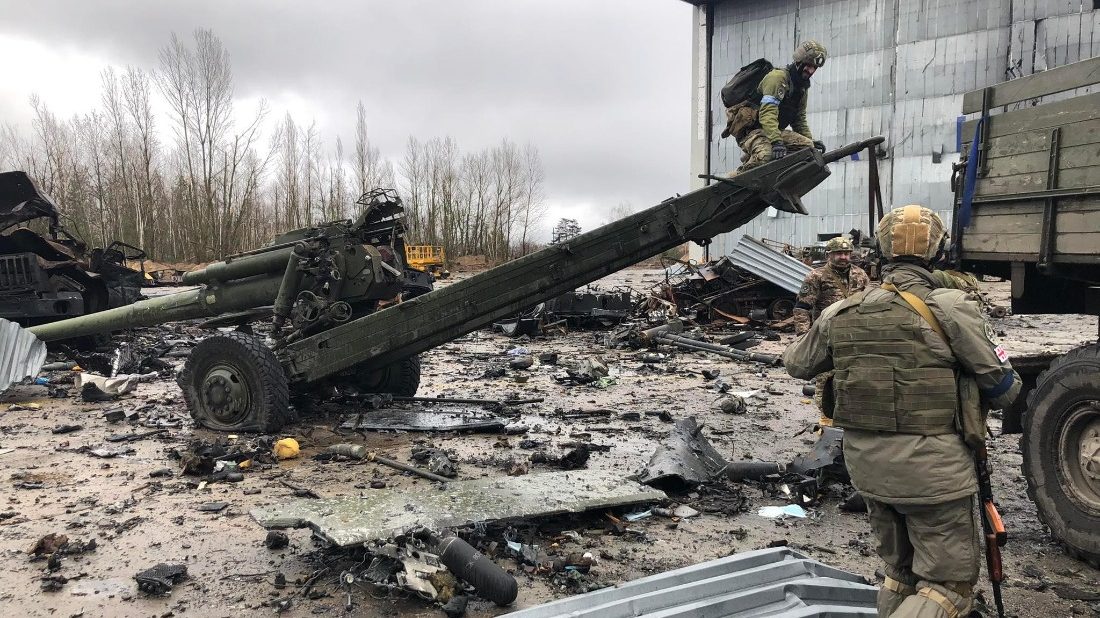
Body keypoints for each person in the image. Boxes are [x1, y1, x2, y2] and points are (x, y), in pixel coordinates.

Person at [782, 205, 1022, 617]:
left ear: (881, 249)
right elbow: (1004, 388)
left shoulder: (843, 310)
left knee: (900, 572)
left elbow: (797, 364)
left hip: (868, 468)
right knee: (947, 588)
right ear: (939, 250)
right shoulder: (952, 305)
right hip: (935, 471)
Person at [795, 236, 870, 426]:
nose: (843, 257)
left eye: (846, 253)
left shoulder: (861, 275)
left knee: (855, 378)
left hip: (856, 336)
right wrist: (803, 337)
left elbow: (871, 303)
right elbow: (802, 308)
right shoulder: (816, 276)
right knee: (825, 380)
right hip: (827, 336)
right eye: (838, 253)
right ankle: (826, 421)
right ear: (829, 255)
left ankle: (851, 421)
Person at [723, 40, 828, 173]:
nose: (811, 71)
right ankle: (737, 177)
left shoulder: (801, 88)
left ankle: (766, 166)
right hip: (751, 131)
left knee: (807, 148)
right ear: (799, 61)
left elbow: (799, 119)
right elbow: (767, 113)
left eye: (814, 68)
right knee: (765, 156)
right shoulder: (777, 78)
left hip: (771, 132)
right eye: (808, 65)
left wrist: (811, 142)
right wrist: (776, 142)